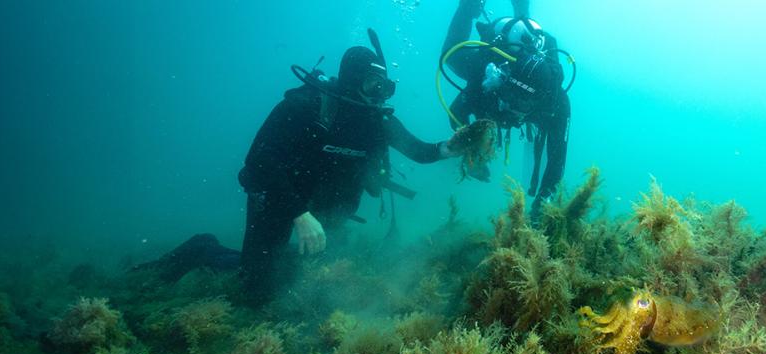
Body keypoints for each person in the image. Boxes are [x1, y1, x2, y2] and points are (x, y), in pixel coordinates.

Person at [235, 33, 463, 306]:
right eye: (372, 84)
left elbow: (419, 150)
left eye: (385, 87)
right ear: (352, 80)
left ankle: (290, 256)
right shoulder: (306, 106)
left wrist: (448, 148)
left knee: (316, 286)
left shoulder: (377, 120)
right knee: (256, 289)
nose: (379, 94)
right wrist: (299, 215)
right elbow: (260, 160)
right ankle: (204, 249)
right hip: (279, 199)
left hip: (325, 209)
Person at [441, 0, 572, 219]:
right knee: (450, 56)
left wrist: (543, 202)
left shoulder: (554, 101)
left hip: (526, 73)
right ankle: (469, 6)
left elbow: (557, 156)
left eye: (526, 102)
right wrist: (473, 153)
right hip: (493, 63)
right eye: (515, 99)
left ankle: (522, 13)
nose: (518, 110)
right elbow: (456, 114)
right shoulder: (484, 78)